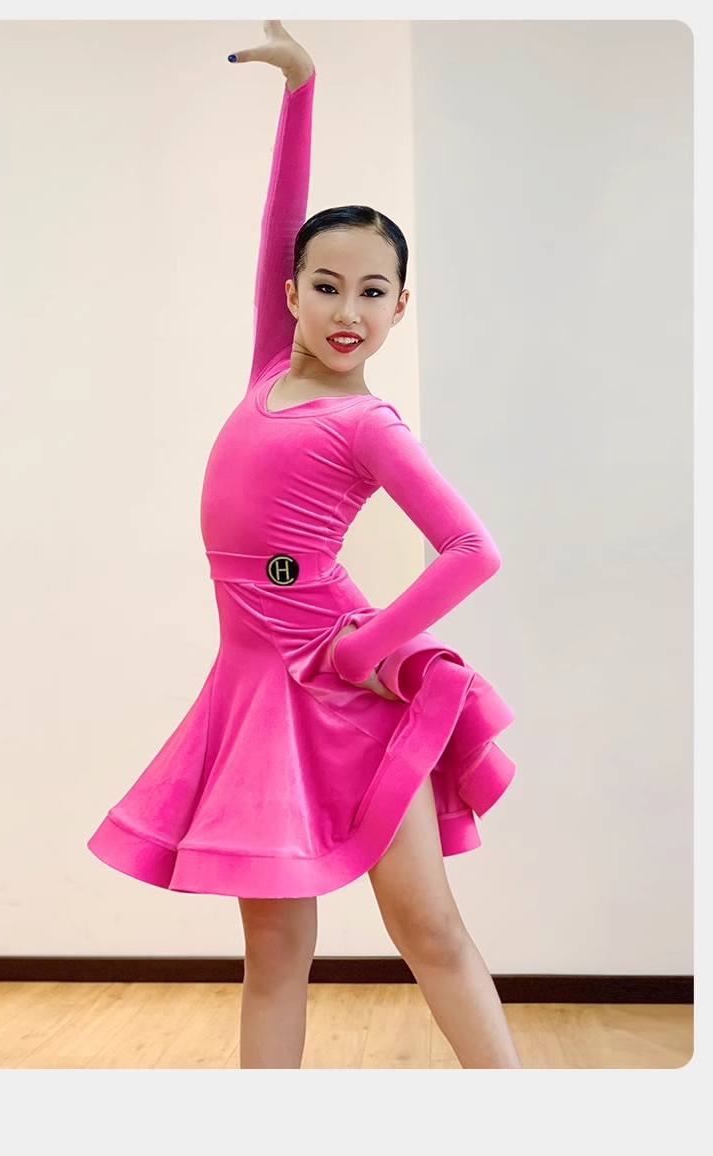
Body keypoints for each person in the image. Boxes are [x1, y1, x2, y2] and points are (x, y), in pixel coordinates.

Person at [88, 20, 522, 1069]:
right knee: (276, 951)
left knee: (427, 930)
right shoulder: (269, 371)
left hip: (349, 700)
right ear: (290, 294)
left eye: (373, 291)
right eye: (325, 285)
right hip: (254, 697)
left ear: (400, 307)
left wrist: (364, 651)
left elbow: (472, 548)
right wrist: (301, 90)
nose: (346, 308)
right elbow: (281, 224)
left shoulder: (368, 426)